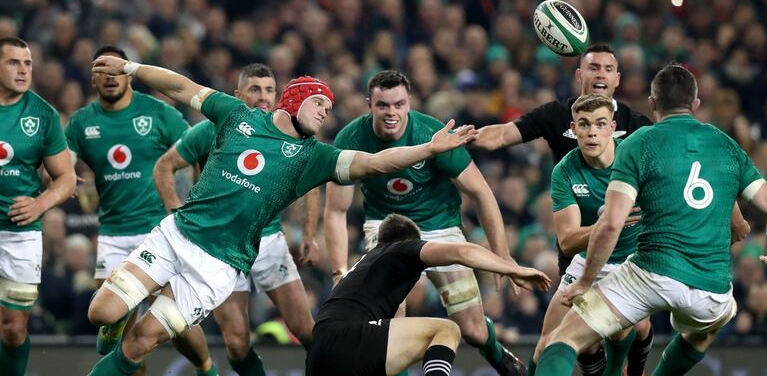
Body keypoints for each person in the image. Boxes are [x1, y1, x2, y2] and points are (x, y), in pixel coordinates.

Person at [85, 54, 478, 376]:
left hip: (218, 267)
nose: (325, 113)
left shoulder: (314, 157)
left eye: (329, 108)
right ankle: (116, 318)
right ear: (296, 99)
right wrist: (131, 68)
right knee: (100, 312)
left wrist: (428, 149)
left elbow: (374, 162)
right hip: (177, 235)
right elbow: (181, 87)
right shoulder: (236, 115)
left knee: (141, 342)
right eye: (320, 104)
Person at [535, 64, 767, 376]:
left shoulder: (638, 143)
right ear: (695, 103)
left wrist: (586, 282)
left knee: (564, 337)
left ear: (653, 103)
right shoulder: (726, 145)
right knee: (704, 330)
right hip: (710, 286)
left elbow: (611, 223)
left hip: (651, 273)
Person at [324, 70, 526, 375]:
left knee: (473, 331)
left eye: (398, 104)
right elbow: (336, 211)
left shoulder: (432, 134)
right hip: (387, 228)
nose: (391, 112)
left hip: (440, 225)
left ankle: (496, 352)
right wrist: (339, 270)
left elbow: (480, 191)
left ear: (409, 103)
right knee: (392, 321)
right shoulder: (350, 139)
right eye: (382, 105)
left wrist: (502, 254)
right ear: (369, 105)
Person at [471, 44, 652, 376]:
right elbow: (502, 135)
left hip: (631, 254)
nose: (600, 74)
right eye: (593, 67)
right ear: (579, 75)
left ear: (617, 79)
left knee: (634, 327)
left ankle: (633, 368)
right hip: (580, 247)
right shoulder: (558, 127)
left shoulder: (639, 132)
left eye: (607, 68)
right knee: (558, 342)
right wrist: (464, 139)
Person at [153, 63, 320, 375]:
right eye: (254, 89)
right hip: (219, 246)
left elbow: (313, 182)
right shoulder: (209, 130)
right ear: (238, 95)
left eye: (269, 90)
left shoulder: (289, 135)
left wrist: (309, 232)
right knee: (236, 342)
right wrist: (175, 212)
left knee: (307, 330)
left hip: (267, 241)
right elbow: (165, 165)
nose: (263, 97)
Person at [65, 44, 217, 375]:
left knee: (175, 320)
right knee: (119, 334)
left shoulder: (158, 114)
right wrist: (63, 174)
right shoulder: (81, 123)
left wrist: (197, 195)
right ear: (92, 80)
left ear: (128, 75)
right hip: (112, 233)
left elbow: (199, 146)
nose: (110, 77)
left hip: (157, 230)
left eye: (115, 70)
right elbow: (62, 162)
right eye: (101, 72)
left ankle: (207, 368)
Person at [308, 213, 551, 376]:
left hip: (319, 352)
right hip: (348, 337)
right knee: (447, 330)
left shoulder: (366, 265)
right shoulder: (401, 248)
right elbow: (462, 253)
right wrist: (514, 269)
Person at [533, 94, 645, 376]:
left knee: (631, 328)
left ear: (612, 127)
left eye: (600, 124)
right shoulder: (565, 171)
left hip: (634, 262)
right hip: (589, 261)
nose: (592, 132)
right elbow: (568, 241)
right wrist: (609, 223)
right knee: (545, 346)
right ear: (573, 129)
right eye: (584, 124)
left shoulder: (636, 157)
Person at [0, 36, 76, 376]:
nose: (23, 70)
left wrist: (40, 203)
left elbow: (66, 178)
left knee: (14, 329)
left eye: (28, 63)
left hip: (21, 233)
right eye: (13, 62)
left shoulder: (43, 114)